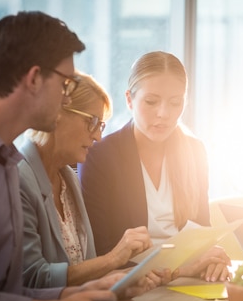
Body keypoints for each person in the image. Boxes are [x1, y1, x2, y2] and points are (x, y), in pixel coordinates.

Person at [0, 11, 143, 301]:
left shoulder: (4, 161)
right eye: (66, 84)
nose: (66, 99)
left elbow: (1, 295)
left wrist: (68, 297)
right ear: (33, 78)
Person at [79, 51, 230, 282]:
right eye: (151, 102)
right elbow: (100, 254)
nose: (163, 114)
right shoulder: (100, 157)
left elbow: (202, 232)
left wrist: (212, 256)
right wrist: (180, 271)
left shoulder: (194, 151)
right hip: (133, 287)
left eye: (175, 103)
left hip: (190, 285)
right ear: (129, 99)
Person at [19, 71, 154, 288]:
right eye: (92, 122)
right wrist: (113, 259)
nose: (98, 136)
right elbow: (32, 278)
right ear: (57, 113)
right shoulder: (17, 179)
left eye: (101, 126)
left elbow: (84, 267)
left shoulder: (69, 179)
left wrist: (132, 274)